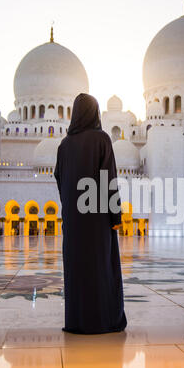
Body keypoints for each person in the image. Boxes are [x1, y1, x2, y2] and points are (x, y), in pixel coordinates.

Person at [54, 93, 127, 334]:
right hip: (97, 219)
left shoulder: (64, 145)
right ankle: (104, 321)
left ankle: (76, 322)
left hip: (74, 220)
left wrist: (70, 207)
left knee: (77, 269)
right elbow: (109, 179)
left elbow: (59, 178)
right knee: (101, 268)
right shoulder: (101, 139)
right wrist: (115, 217)